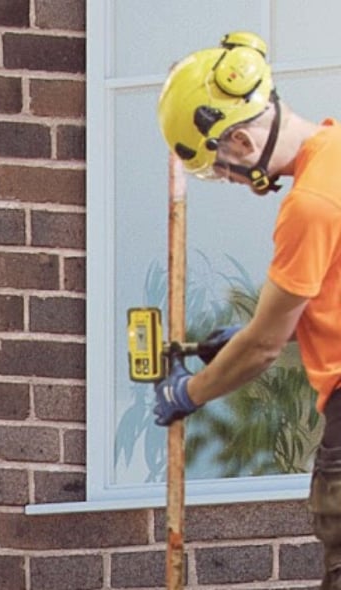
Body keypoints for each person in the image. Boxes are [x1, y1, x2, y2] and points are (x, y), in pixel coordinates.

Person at [154, 31, 341, 588]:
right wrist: (278, 327)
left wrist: (190, 392)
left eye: (217, 169)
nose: (230, 182)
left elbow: (260, 349)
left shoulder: (310, 204)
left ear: (237, 141)